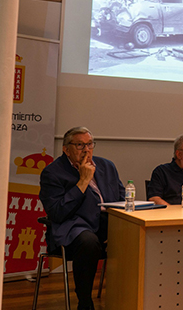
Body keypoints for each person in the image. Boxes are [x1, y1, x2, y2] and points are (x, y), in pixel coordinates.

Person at [39, 127, 125, 310]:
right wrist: (83, 182)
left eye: (89, 145)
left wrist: (120, 226)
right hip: (73, 228)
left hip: (106, 223)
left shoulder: (107, 166)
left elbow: (122, 199)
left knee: (133, 235)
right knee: (88, 242)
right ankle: (85, 301)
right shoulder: (52, 173)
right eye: (79, 145)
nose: (86, 150)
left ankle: (128, 297)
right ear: (66, 149)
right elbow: (57, 212)